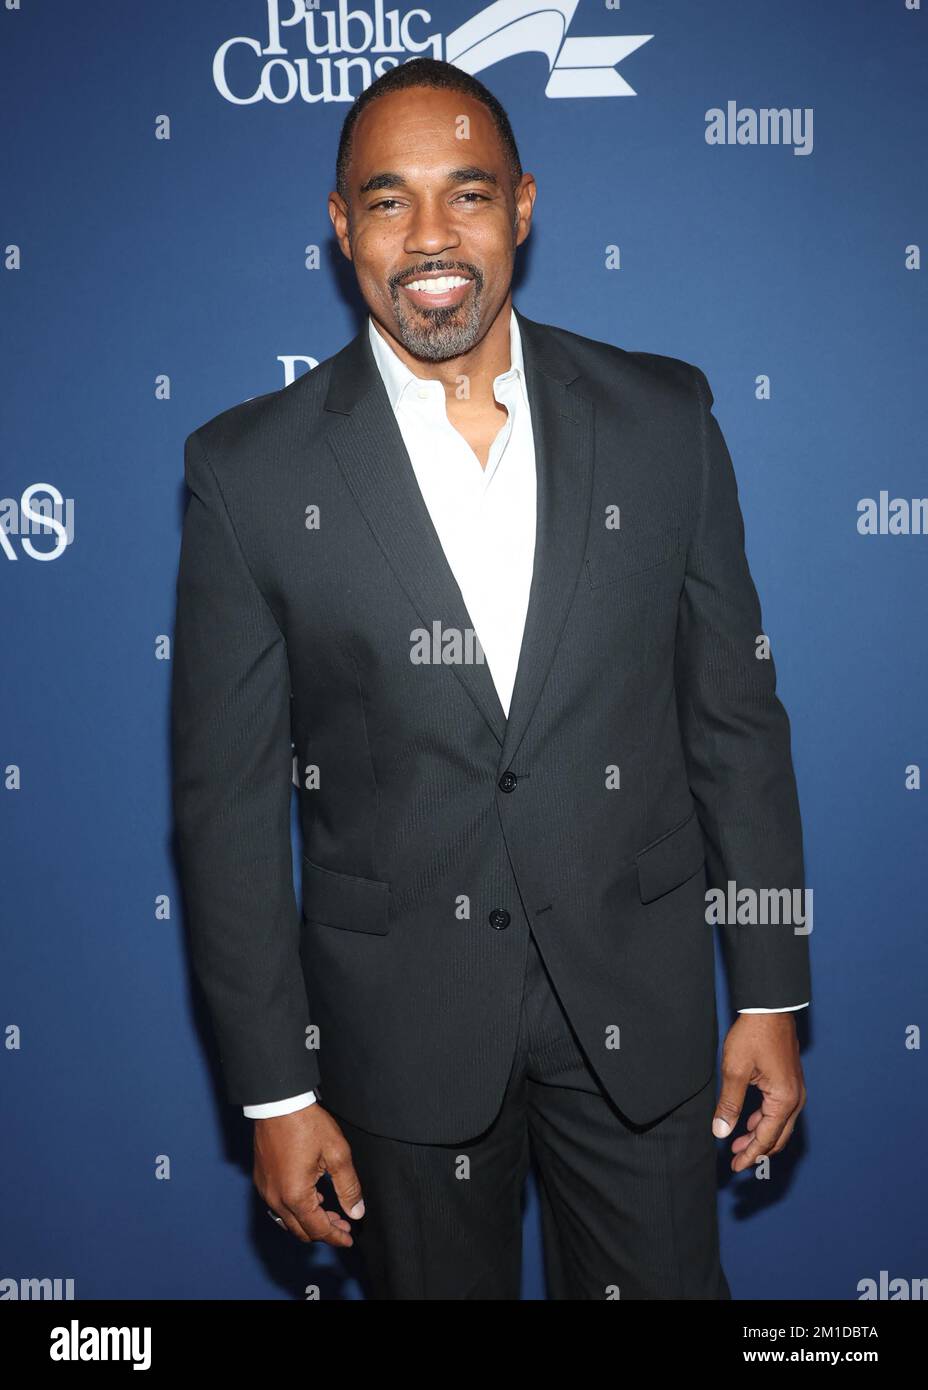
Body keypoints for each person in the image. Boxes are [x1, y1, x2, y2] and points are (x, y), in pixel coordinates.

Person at [170, 57, 810, 1300]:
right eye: (389, 199)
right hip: (399, 1036)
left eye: (465, 195)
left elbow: (737, 725)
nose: (430, 237)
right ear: (342, 224)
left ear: (521, 205)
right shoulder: (246, 473)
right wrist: (277, 1087)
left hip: (639, 1012)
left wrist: (773, 987)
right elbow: (226, 810)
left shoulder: (662, 417)